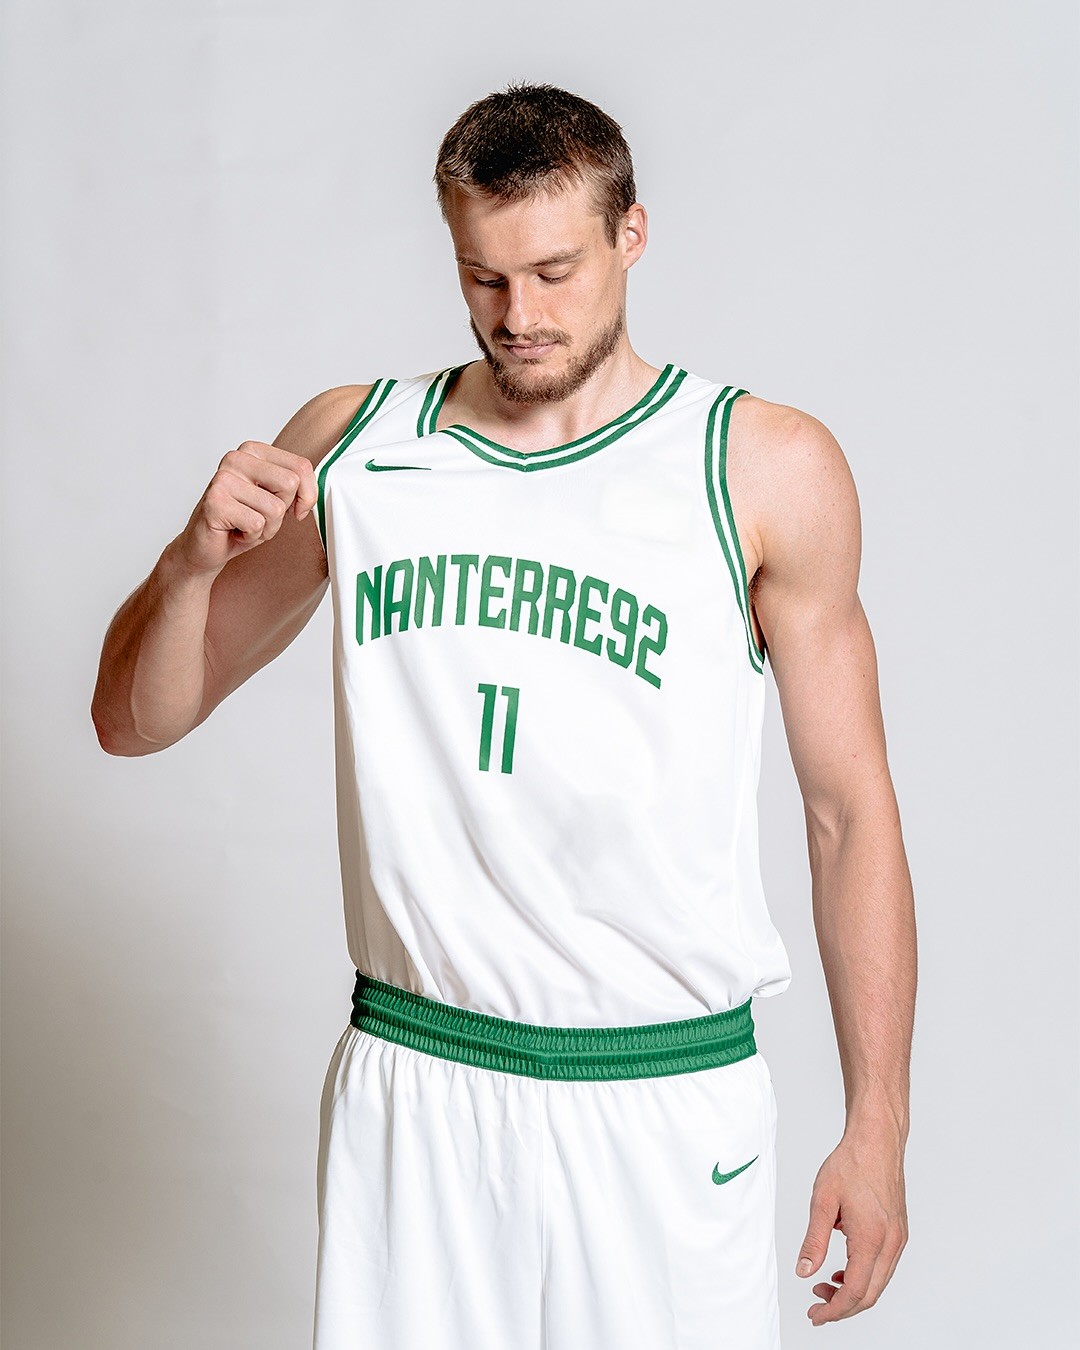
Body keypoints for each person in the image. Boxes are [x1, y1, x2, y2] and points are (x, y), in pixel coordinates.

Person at [92, 82, 915, 1348]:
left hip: (662, 1094)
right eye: (483, 277)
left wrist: (878, 1126)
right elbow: (133, 720)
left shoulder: (761, 466)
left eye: (552, 272)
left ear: (632, 234)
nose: (517, 316)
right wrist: (190, 563)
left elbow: (847, 813)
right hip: (419, 1083)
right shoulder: (355, 443)